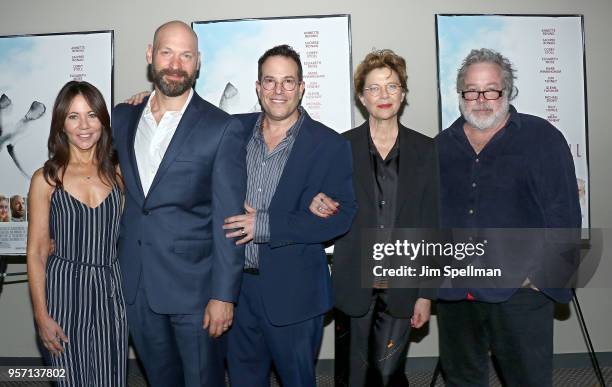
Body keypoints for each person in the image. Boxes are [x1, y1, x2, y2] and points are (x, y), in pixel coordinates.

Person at [435, 48, 581, 386]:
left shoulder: (542, 139)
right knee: (462, 380)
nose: (481, 99)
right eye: (471, 90)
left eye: (491, 89)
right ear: (460, 94)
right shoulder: (441, 147)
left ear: (508, 91)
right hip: (458, 296)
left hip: (521, 295)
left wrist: (541, 280)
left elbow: (564, 215)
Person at [112, 21, 246, 387]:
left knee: (204, 381)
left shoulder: (221, 127)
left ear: (198, 62)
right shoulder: (122, 118)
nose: (175, 64)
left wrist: (224, 296)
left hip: (197, 292)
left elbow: (230, 219)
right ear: (149, 55)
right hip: (136, 285)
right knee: (160, 379)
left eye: (186, 55)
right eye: (166, 52)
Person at [221, 44, 357, 386]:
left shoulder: (329, 145)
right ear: (257, 87)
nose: (278, 91)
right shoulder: (231, 132)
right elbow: (186, 126)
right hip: (234, 292)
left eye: (287, 81)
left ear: (301, 88)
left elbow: (343, 216)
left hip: (295, 295)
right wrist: (147, 103)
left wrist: (264, 223)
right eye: (269, 81)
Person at [310, 49, 440, 386]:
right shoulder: (340, 147)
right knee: (352, 376)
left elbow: (432, 224)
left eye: (392, 86)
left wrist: (426, 293)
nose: (384, 96)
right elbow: (321, 203)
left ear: (404, 93)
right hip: (353, 280)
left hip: (402, 283)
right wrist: (319, 204)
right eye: (374, 88)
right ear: (361, 98)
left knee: (386, 374)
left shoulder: (427, 151)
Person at [26, 80, 127, 386]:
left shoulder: (119, 174)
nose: (84, 125)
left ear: (102, 121)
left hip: (111, 291)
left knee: (111, 378)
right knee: (70, 378)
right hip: (63, 293)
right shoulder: (46, 179)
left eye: (92, 115)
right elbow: (37, 252)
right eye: (73, 116)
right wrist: (42, 317)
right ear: (62, 124)